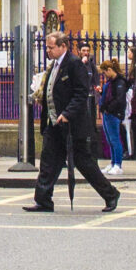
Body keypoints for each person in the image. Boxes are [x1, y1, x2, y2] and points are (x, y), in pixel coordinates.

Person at [24, 30, 118, 213]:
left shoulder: (75, 64)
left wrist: (67, 113)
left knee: (84, 163)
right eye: (47, 47)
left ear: (63, 46)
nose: (48, 51)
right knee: (48, 161)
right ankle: (43, 200)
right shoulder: (53, 65)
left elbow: (81, 93)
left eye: (51, 47)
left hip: (72, 125)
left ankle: (111, 194)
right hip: (54, 123)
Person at [96, 57, 129, 177]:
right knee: (110, 139)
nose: (104, 75)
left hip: (113, 114)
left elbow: (119, 99)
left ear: (109, 69)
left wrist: (108, 108)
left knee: (115, 140)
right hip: (108, 113)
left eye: (104, 72)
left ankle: (118, 165)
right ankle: (113, 162)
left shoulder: (119, 82)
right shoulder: (111, 82)